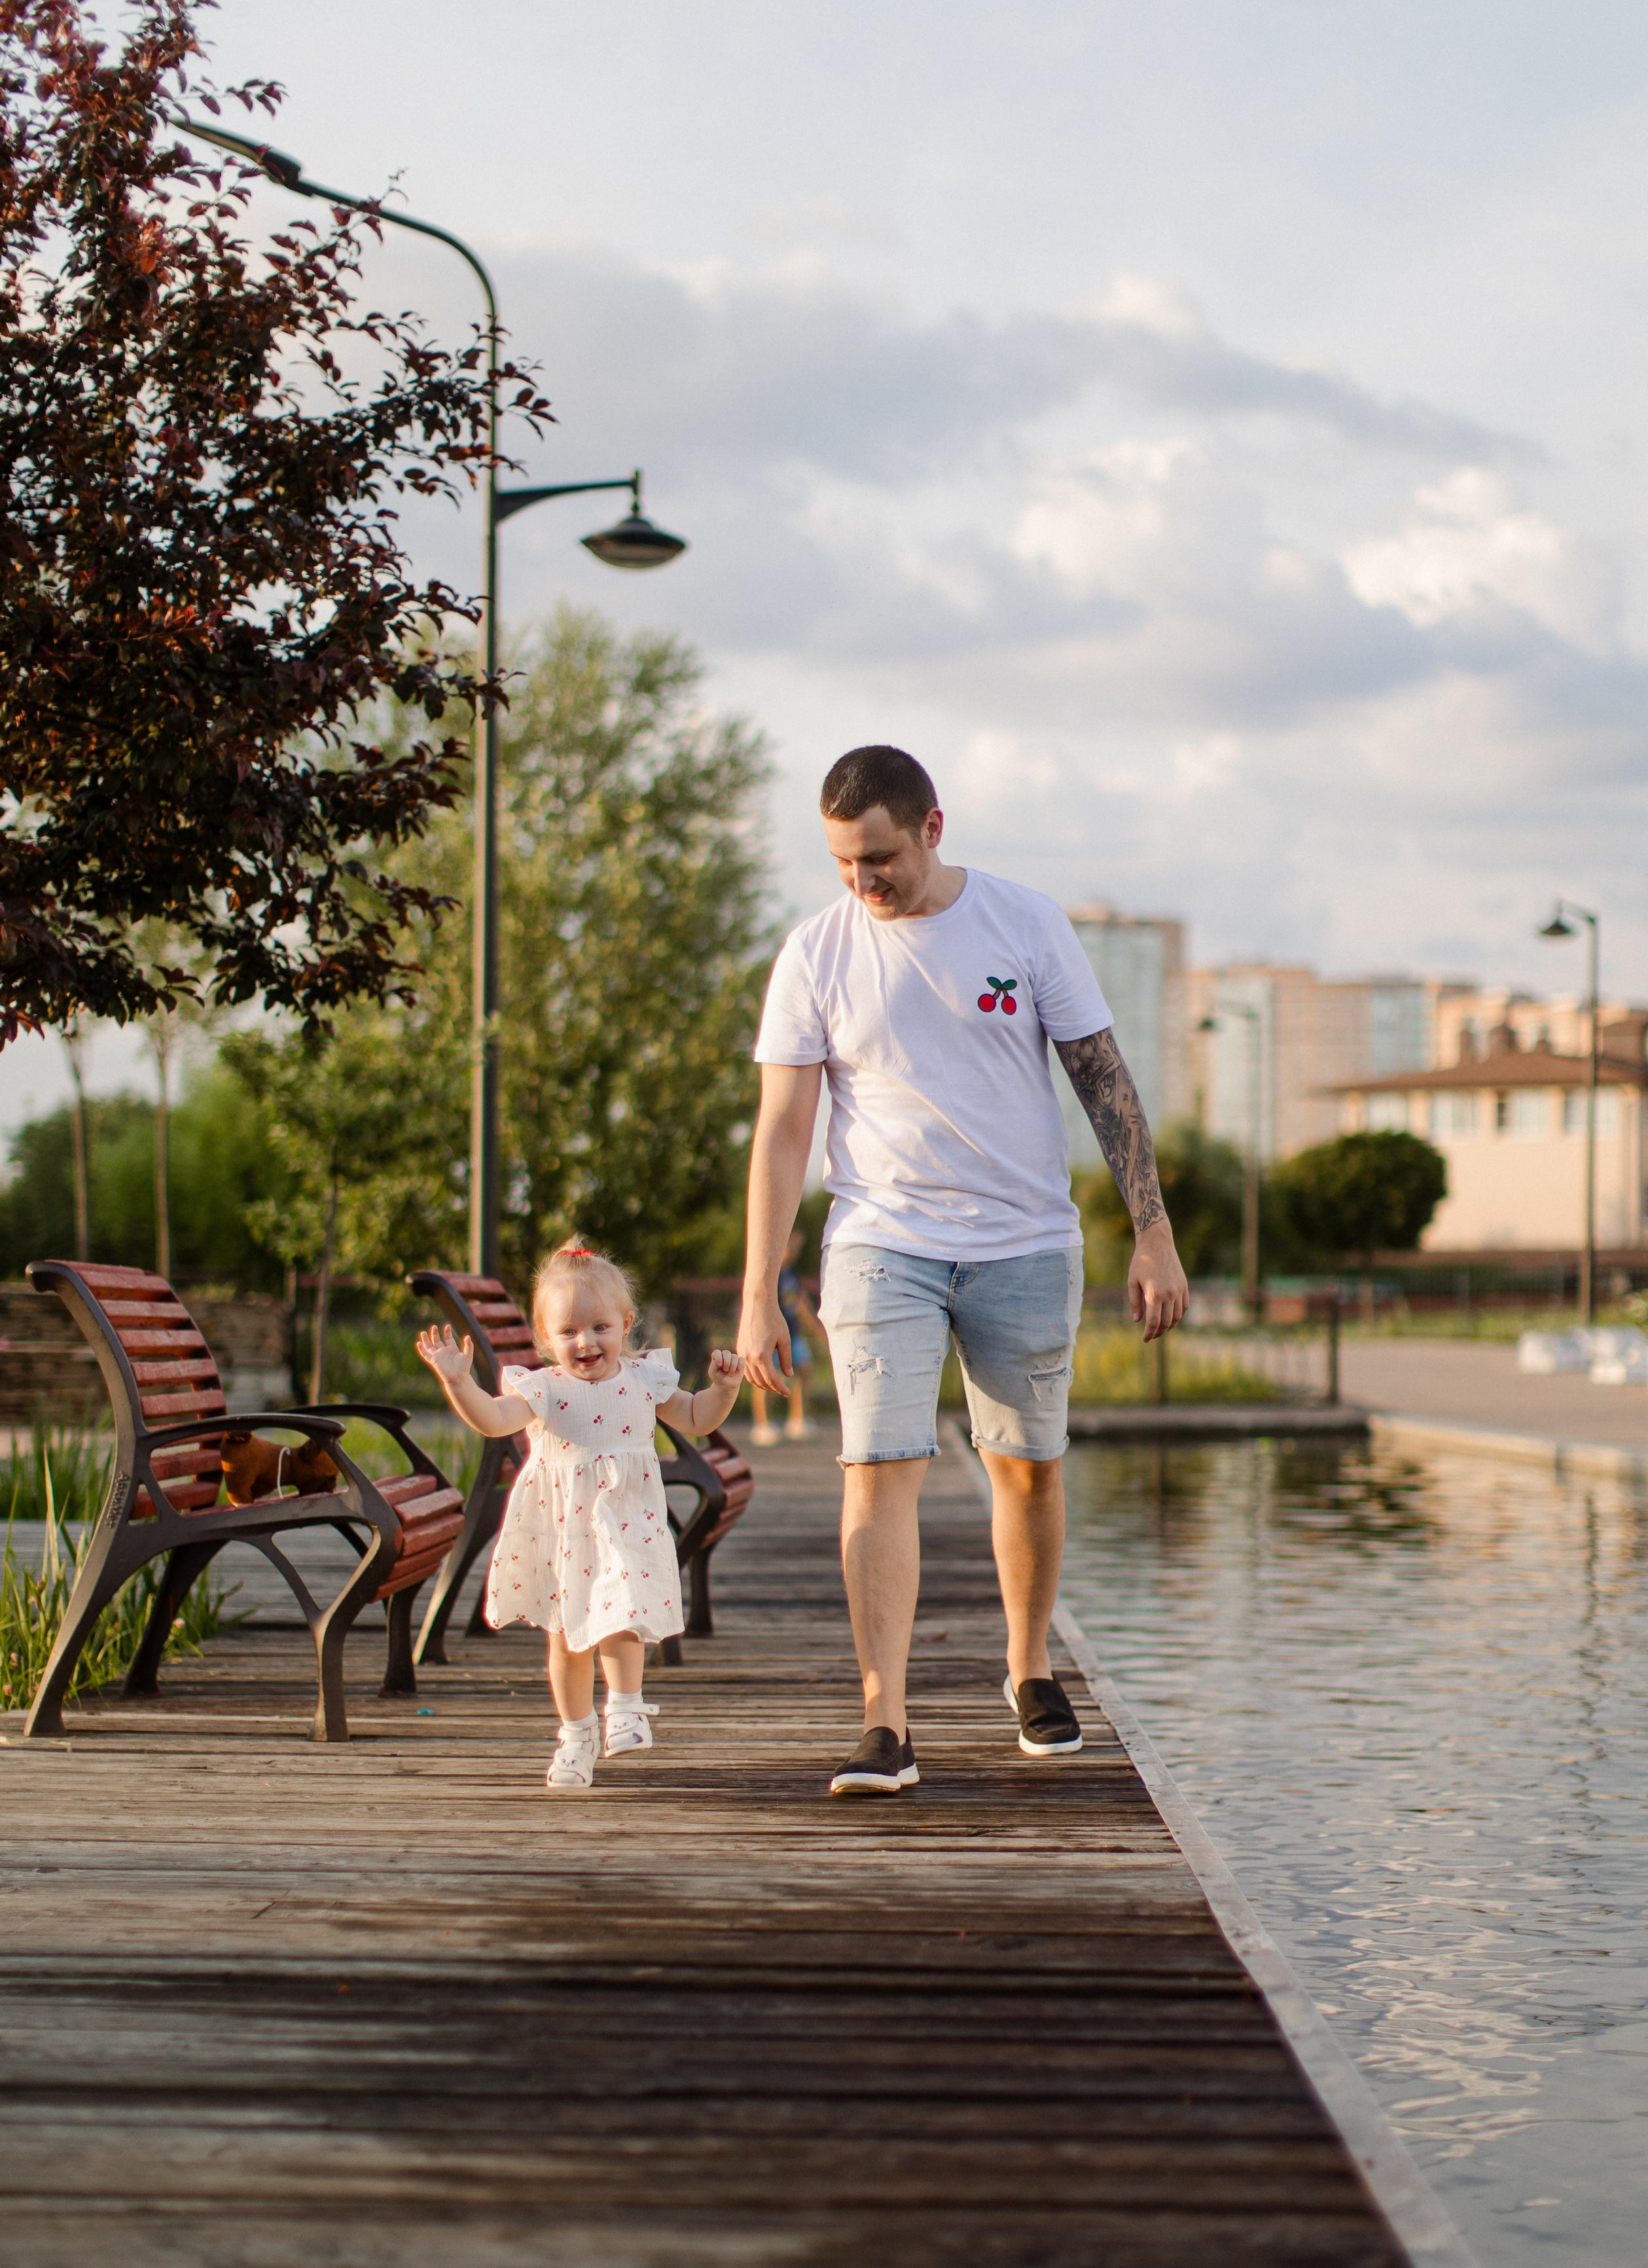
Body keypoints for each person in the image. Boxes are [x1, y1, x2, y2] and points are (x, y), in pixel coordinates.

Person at [738, 745, 1188, 1796]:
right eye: (845, 863)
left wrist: (1153, 1230)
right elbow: (781, 1133)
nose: (864, 883)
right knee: (877, 1469)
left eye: (881, 859)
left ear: (933, 829)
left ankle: (1028, 1669)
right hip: (879, 1242)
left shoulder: (1025, 925)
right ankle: (883, 1721)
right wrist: (758, 1287)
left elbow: (1104, 1084)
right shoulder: (815, 953)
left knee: (1026, 1466)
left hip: (1024, 1242)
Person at [416, 1237, 745, 1791]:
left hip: (627, 1522)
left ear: (625, 1323)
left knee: (625, 1611)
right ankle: (575, 1736)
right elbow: (494, 1421)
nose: (585, 1342)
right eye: (567, 1332)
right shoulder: (542, 1388)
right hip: (563, 1528)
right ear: (547, 1340)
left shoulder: (644, 1379)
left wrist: (724, 1388)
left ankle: (625, 1704)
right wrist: (458, 1382)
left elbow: (695, 1418)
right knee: (567, 1639)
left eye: (598, 1328)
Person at [747, 1227, 821, 1445]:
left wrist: (816, 1329)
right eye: (793, 1245)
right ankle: (762, 1425)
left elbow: (800, 1302)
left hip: (793, 1332)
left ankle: (797, 1420)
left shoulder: (791, 1271)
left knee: (805, 1370)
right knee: (768, 1379)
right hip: (773, 1334)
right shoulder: (771, 1273)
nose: (795, 1250)